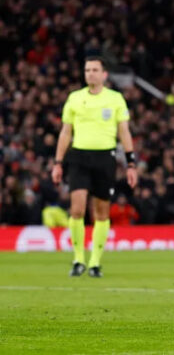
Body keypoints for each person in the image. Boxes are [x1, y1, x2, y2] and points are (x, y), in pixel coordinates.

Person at [51, 56, 138, 278]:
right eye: (87, 70)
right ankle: (78, 259)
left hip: (105, 158)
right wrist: (58, 163)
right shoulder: (74, 98)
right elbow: (65, 133)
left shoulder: (115, 99)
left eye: (94, 70)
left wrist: (131, 164)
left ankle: (95, 262)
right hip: (79, 157)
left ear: (104, 74)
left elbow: (124, 132)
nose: (90, 73)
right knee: (77, 209)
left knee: (101, 212)